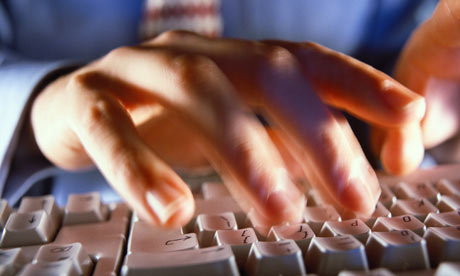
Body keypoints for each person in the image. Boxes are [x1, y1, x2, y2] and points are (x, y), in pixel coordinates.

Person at [0, 0, 457, 230]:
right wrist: (35, 110)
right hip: (57, 205)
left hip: (337, 204)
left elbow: (416, 53)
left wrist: (434, 114)